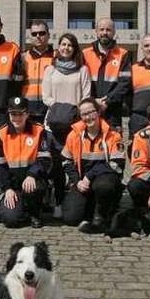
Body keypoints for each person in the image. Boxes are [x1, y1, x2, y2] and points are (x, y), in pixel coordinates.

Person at [42, 33, 92, 212]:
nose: (66, 48)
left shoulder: (83, 70)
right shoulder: (50, 69)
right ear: (58, 47)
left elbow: (86, 95)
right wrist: (60, 109)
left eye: (70, 45)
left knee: (74, 163)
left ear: (75, 48)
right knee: (56, 165)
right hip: (53, 124)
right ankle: (58, 201)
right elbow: (45, 96)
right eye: (63, 44)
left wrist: (72, 111)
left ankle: (75, 200)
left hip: (75, 125)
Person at [61, 98, 125, 233]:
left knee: (103, 186)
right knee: (71, 218)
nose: (88, 117)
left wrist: (89, 176)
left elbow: (117, 164)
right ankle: (91, 206)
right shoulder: (73, 135)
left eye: (91, 112)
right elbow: (66, 162)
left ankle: (102, 213)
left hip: (104, 181)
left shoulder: (113, 135)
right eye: (84, 114)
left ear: (98, 112)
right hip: (82, 184)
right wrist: (77, 182)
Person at [0, 97, 52, 228]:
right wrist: (7, 188)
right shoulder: (1, 133)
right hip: (13, 186)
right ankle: (20, 209)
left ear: (27, 114)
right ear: (8, 114)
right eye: (13, 114)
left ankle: (34, 214)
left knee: (33, 188)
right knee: (10, 220)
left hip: (32, 181)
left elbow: (45, 159)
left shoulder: (39, 130)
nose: (17, 117)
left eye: (21, 113)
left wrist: (32, 174)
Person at [82, 17, 132, 130]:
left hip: (112, 111)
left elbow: (125, 83)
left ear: (114, 32)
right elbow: (81, 82)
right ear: (96, 31)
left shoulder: (123, 54)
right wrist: (93, 102)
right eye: (102, 29)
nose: (105, 33)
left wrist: (107, 101)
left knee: (113, 145)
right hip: (89, 110)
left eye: (108, 30)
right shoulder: (85, 54)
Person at [21, 20, 55, 123]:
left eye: (42, 33)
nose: (38, 36)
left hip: (50, 109)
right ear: (30, 37)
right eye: (34, 34)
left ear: (48, 35)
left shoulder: (57, 57)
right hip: (28, 109)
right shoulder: (23, 58)